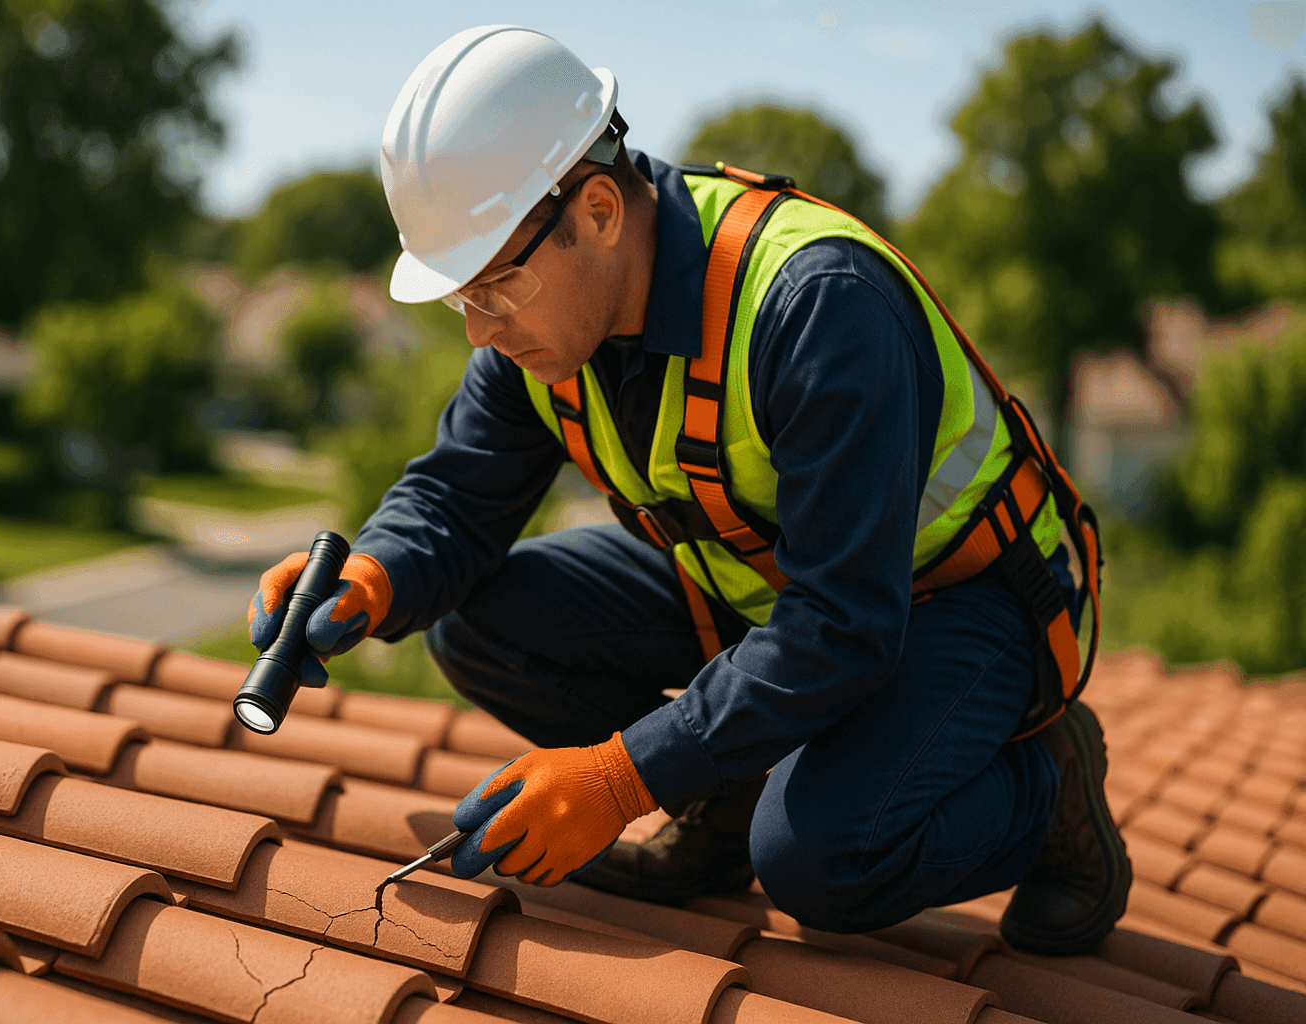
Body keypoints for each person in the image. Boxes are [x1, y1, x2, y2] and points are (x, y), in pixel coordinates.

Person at [248, 25, 1130, 955]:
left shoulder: (816, 304)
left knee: (819, 858)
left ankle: (1051, 790)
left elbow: (844, 625)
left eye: (493, 288)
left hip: (960, 598)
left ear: (595, 210)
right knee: (477, 619)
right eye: (460, 298)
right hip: (770, 587)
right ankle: (721, 809)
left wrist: (621, 780)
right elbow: (455, 501)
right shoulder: (543, 330)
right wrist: (377, 577)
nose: (479, 331)